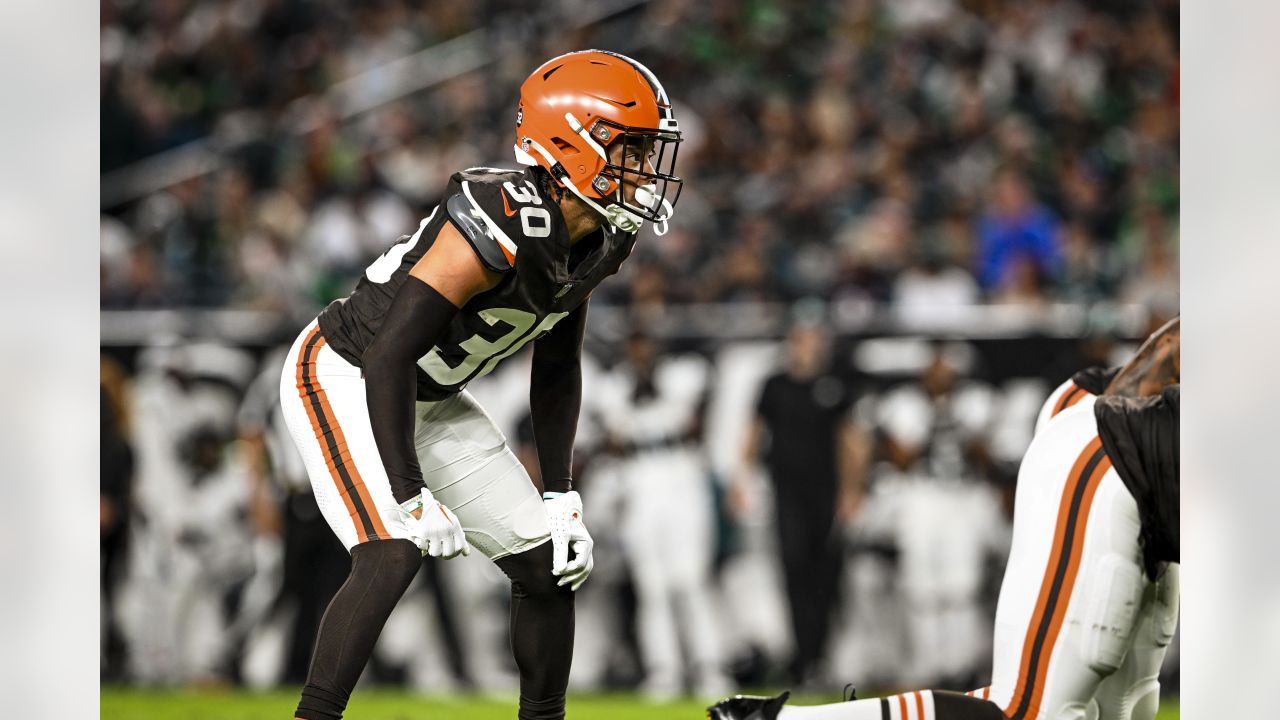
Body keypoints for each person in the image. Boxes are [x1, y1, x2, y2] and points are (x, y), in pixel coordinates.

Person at [276, 50, 683, 720]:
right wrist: (408, 496)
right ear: (571, 143)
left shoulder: (605, 234)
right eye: (632, 150)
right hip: (346, 373)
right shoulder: (497, 213)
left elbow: (557, 366)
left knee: (548, 565)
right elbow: (386, 357)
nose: (645, 171)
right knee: (392, 552)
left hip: (427, 395)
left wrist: (561, 497)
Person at [710, 318, 1179, 720]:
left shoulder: (972, 403)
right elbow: (1176, 345)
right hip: (1109, 458)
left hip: (1131, 485)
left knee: (1128, 705)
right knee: (1033, 709)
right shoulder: (905, 406)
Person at [729, 311, 869, 686]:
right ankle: (803, 657)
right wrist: (740, 479)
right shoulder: (775, 385)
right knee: (793, 567)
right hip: (787, 491)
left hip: (825, 492)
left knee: (825, 573)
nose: (811, 346)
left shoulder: (835, 385)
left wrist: (852, 490)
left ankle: (820, 656)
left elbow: (851, 440)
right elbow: (753, 433)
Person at [592, 329, 731, 699]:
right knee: (651, 586)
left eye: (647, 347)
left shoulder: (681, 374)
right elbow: (614, 440)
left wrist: (655, 391)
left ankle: (709, 668)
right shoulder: (615, 384)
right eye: (635, 347)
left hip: (681, 473)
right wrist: (635, 394)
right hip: (640, 479)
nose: (641, 354)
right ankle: (663, 671)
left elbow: (695, 424)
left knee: (691, 579)